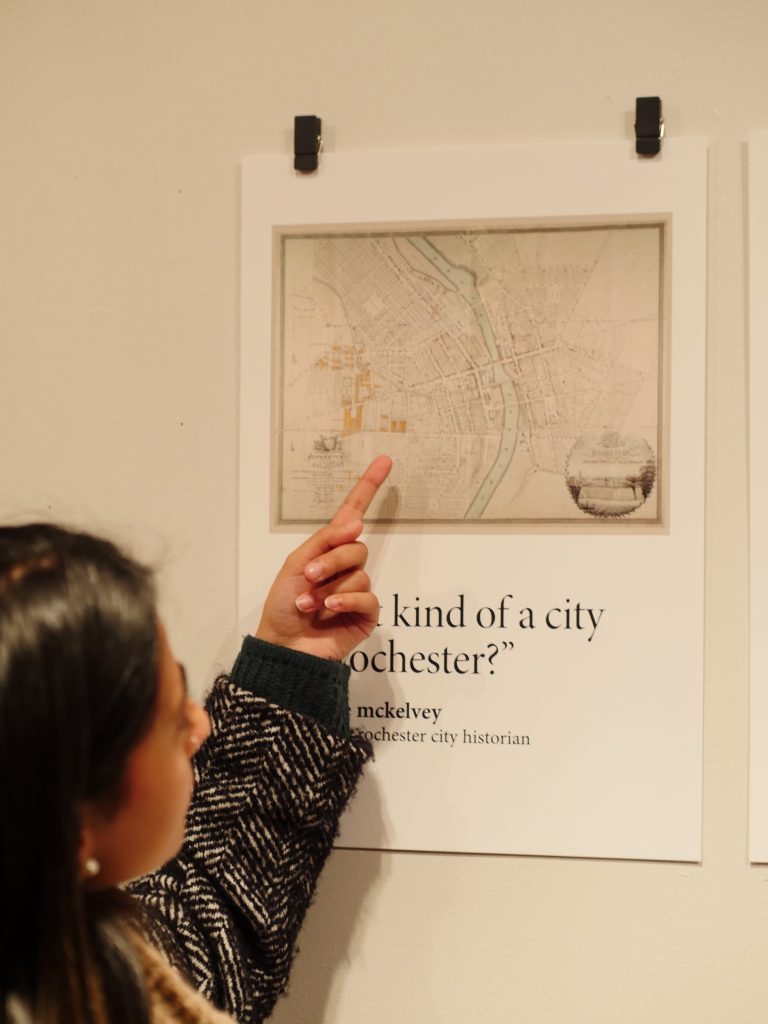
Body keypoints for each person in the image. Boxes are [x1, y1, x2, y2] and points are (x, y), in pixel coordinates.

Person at [0, 455, 393, 1024]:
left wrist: (294, 657)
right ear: (74, 811)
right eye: (168, 717)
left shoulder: (93, 961)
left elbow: (215, 926)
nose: (201, 724)